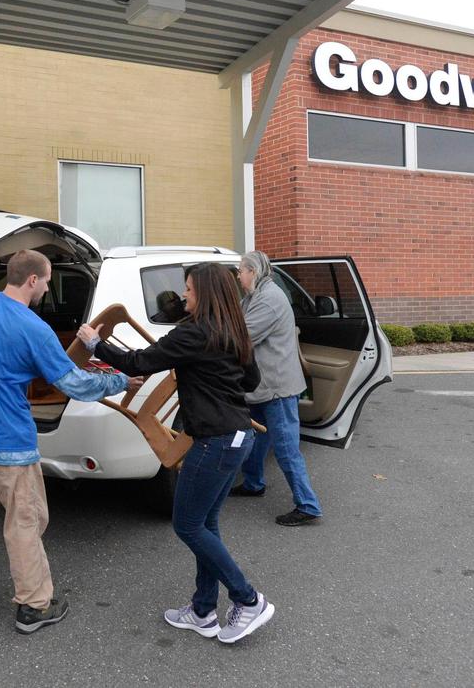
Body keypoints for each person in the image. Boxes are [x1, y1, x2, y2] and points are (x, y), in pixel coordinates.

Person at [0, 249, 139, 639]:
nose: (47, 288)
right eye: (48, 280)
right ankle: (34, 606)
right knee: (24, 524)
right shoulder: (34, 328)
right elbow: (73, 383)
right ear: (33, 280)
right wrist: (120, 381)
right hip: (12, 446)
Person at [76, 262, 273, 645]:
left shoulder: (195, 334)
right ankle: (202, 611)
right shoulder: (233, 331)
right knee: (206, 526)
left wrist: (94, 343)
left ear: (206, 293)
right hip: (237, 438)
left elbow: (139, 363)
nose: (184, 295)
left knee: (187, 526)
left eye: (189, 289)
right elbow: (252, 381)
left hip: (213, 443)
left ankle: (248, 599)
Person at [230, 250, 322, 527]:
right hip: (262, 385)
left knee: (286, 448)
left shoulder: (268, 300)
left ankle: (308, 505)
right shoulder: (254, 297)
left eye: (240, 271)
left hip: (276, 387)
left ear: (253, 272)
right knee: (257, 438)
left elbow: (241, 337)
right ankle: (254, 483)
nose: (238, 276)